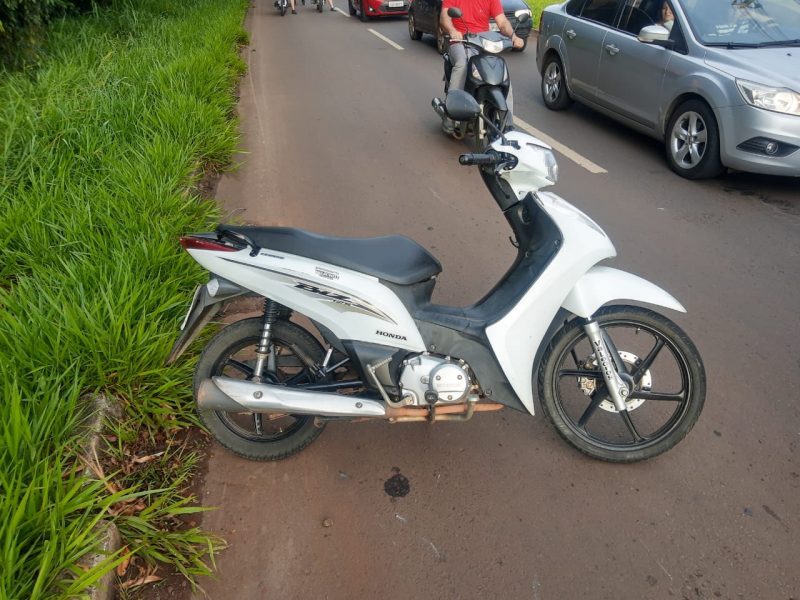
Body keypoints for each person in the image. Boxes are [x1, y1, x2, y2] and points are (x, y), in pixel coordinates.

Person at [439, 0, 524, 133]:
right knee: (462, 64)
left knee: (502, 73)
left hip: (482, 41)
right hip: (460, 40)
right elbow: (444, 18)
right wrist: (452, 30)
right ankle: (450, 113)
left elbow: (502, 22)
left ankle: (508, 125)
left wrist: (514, 37)